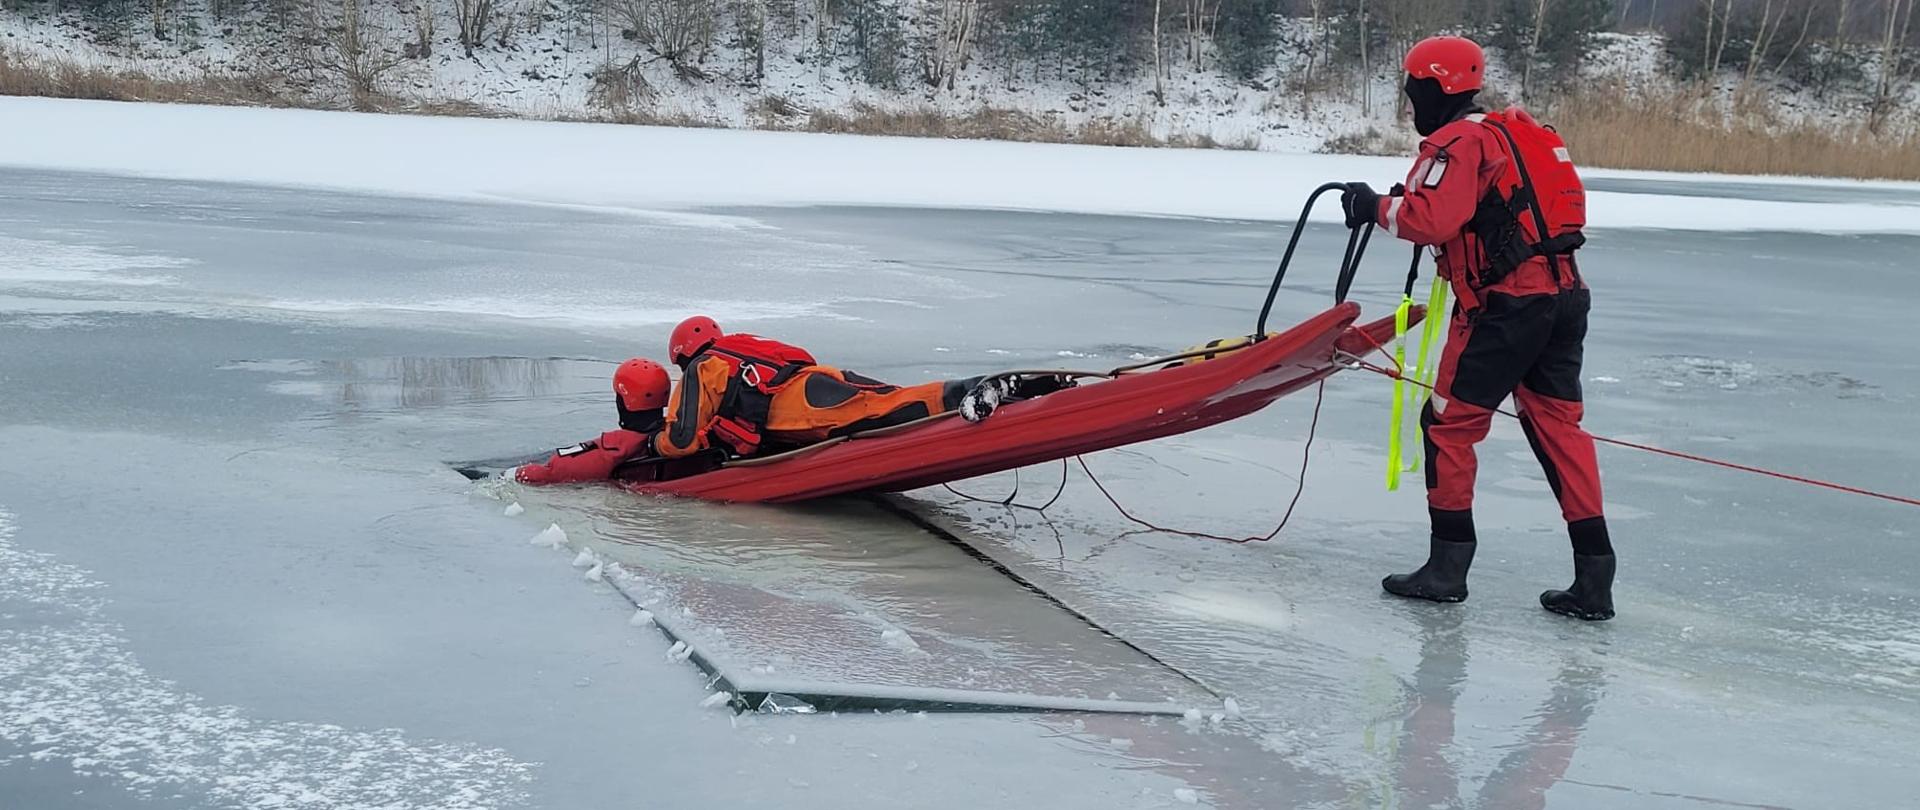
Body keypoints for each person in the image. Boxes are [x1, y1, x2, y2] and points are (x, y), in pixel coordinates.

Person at [1340, 35, 1615, 620]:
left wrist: (1372, 207)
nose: (1412, 105)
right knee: (1559, 430)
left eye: (1415, 92)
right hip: (1565, 296)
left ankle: (1447, 570)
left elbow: (1429, 218)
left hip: (1505, 309)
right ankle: (1596, 579)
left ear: (1435, 88)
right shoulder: (1524, 135)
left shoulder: (1459, 140)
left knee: (1447, 424)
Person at [654, 316, 1047, 459]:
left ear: (684, 354)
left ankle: (980, 388)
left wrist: (657, 444)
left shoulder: (704, 366)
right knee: (892, 400)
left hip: (801, 403)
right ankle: (1014, 389)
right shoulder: (742, 347)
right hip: (820, 381)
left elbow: (683, 437)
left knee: (889, 410)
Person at [515, 358, 671, 485]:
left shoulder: (614, 450)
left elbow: (547, 473)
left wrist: (511, 474)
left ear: (622, 401)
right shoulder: (675, 437)